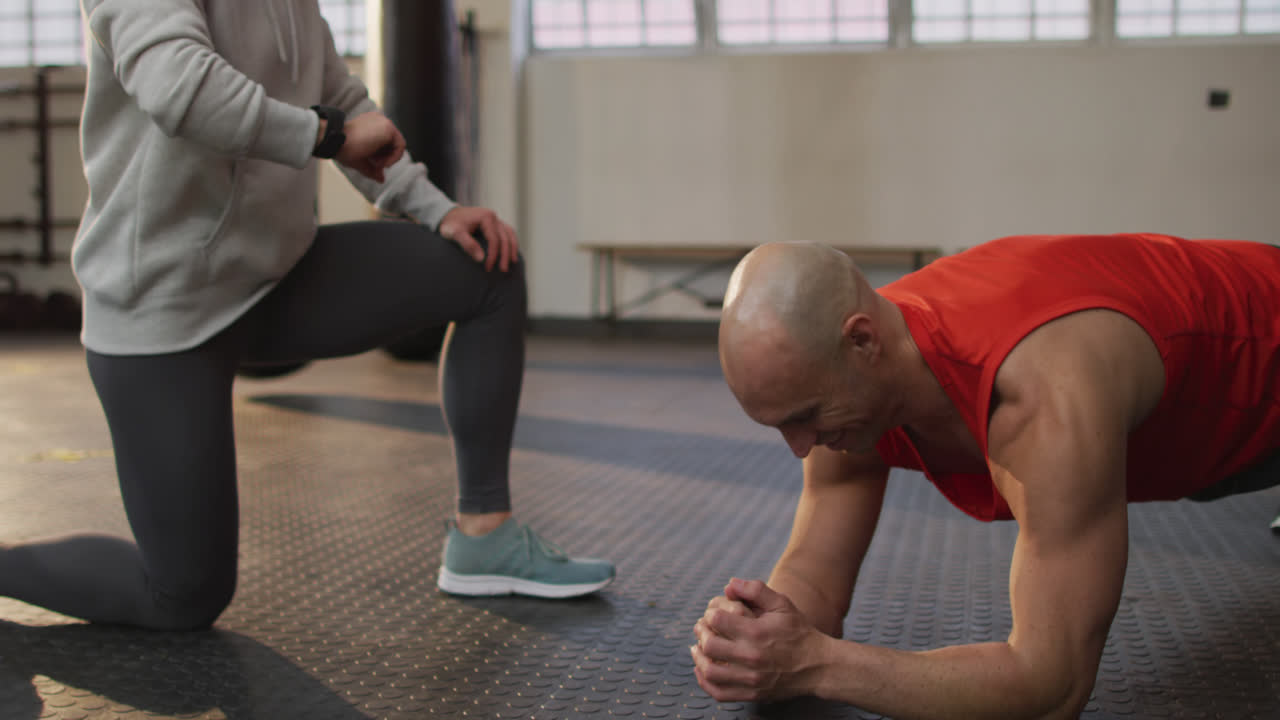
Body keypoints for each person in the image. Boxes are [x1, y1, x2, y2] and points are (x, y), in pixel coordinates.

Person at [0, 0, 613, 632]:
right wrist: (330, 135)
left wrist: (436, 208)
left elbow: (347, 106)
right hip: (163, 305)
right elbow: (181, 88)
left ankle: (485, 535)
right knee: (183, 594)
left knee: (489, 269)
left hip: (275, 280)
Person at [692, 234, 1280, 717]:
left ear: (863, 341)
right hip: (1190, 421)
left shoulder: (1043, 396)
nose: (800, 449)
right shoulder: (842, 373)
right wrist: (757, 637)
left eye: (804, 419)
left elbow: (1053, 686)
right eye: (778, 426)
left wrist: (816, 663)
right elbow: (813, 581)